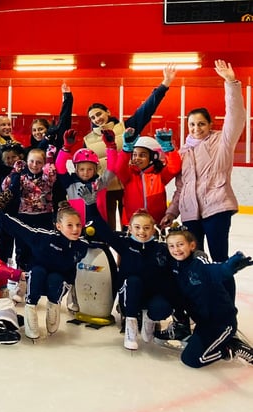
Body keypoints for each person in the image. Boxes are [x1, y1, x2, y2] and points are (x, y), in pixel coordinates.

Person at [162, 61, 243, 263]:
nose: (196, 128)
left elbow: (235, 117)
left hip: (216, 208)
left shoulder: (222, 141)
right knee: (194, 261)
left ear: (209, 124)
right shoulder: (183, 152)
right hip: (190, 213)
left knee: (219, 260)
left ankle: (223, 286)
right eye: (192, 124)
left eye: (201, 124)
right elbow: (181, 188)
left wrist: (231, 83)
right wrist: (171, 213)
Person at [84, 65, 176, 229]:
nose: (97, 119)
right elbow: (86, 166)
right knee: (108, 229)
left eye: (99, 114)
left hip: (129, 184)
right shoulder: (88, 140)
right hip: (105, 189)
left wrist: (164, 85)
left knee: (130, 227)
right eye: (93, 118)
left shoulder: (126, 128)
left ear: (107, 112)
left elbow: (145, 110)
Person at [0, 199, 90, 340]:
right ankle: (31, 311)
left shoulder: (82, 245)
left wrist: (91, 205)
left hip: (58, 283)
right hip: (37, 279)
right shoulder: (44, 238)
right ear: (59, 226)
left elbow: (102, 232)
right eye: (69, 225)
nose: (75, 229)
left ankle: (53, 307)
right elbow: (17, 227)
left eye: (78, 225)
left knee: (55, 279)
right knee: (37, 272)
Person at [164, 228, 253, 368]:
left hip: (221, 322)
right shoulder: (175, 265)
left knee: (192, 360)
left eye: (180, 244)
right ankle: (222, 343)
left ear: (192, 245)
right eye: (172, 246)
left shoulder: (198, 264)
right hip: (203, 323)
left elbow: (215, 270)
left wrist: (228, 268)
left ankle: (230, 348)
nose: (176, 249)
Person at [85, 210, 174, 350]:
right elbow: (104, 229)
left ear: (153, 229)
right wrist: (91, 206)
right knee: (133, 281)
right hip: (130, 295)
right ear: (130, 229)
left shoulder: (161, 249)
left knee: (163, 307)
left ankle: (149, 318)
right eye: (137, 227)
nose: (142, 231)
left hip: (151, 294)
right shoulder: (124, 244)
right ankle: (130, 327)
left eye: (146, 228)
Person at [112, 128, 181, 227]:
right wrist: (126, 150)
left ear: (153, 157)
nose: (137, 158)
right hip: (132, 225)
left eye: (142, 155)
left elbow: (175, 168)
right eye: (134, 155)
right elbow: (119, 168)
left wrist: (169, 149)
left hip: (156, 224)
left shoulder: (159, 175)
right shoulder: (129, 175)